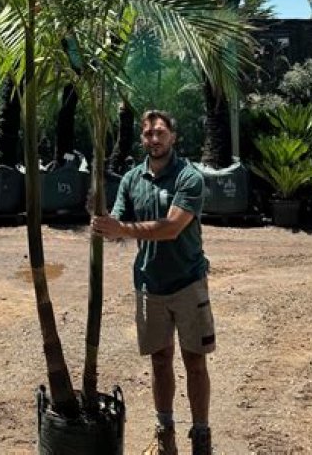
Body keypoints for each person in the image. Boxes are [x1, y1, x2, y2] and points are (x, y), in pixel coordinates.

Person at [92, 109, 215, 455]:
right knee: (160, 362)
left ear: (173, 136)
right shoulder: (132, 179)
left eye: (160, 132)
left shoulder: (189, 178)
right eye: (148, 133)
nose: (154, 139)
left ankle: (201, 437)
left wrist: (122, 228)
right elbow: (117, 222)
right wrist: (103, 222)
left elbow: (172, 227)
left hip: (188, 282)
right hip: (149, 285)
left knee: (195, 362)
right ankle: (165, 435)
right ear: (142, 138)